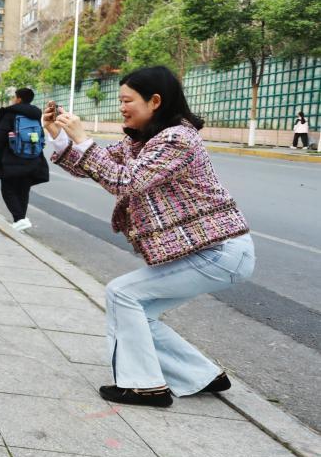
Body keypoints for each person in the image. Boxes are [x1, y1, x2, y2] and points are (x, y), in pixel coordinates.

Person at [45, 65, 253, 408]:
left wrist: (82, 138)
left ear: (155, 101)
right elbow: (97, 166)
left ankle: (144, 387)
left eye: (127, 100)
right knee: (134, 309)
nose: (122, 107)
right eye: (120, 100)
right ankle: (202, 374)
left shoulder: (178, 139)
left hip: (220, 252)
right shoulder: (142, 140)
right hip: (209, 252)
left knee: (122, 294)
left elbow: (124, 181)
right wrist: (59, 135)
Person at [0, 87, 49, 231]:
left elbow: (0, 137)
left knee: (8, 189)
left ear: (19, 99)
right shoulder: (35, 114)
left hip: (12, 158)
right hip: (32, 157)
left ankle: (20, 219)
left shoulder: (10, 114)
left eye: (15, 97)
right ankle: (20, 221)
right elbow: (40, 136)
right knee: (23, 190)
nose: (14, 100)